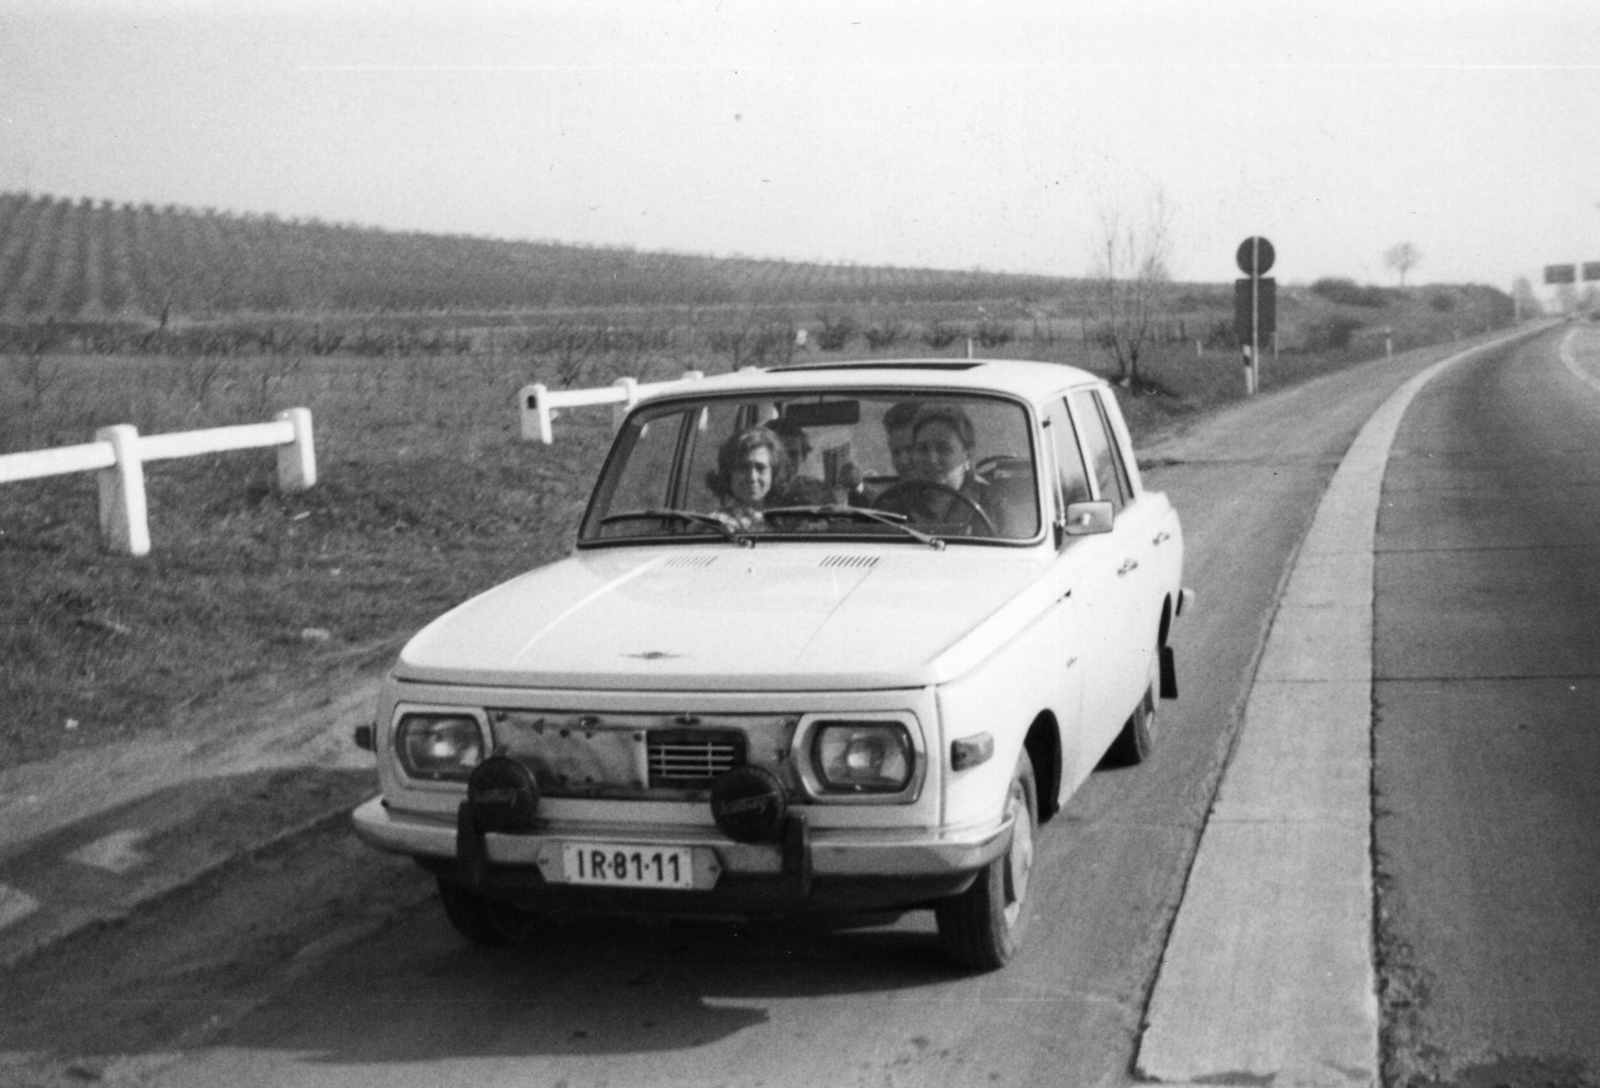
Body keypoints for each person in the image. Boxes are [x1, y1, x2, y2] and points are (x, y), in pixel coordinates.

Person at [879, 405, 996, 534]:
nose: (932, 459)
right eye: (922, 449)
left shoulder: (993, 506)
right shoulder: (892, 508)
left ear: (967, 454)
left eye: (944, 449)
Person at [706, 426, 783, 531]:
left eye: (761, 468)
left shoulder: (785, 520)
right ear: (729, 473)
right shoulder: (716, 524)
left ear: (773, 473)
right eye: (743, 468)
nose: (752, 477)